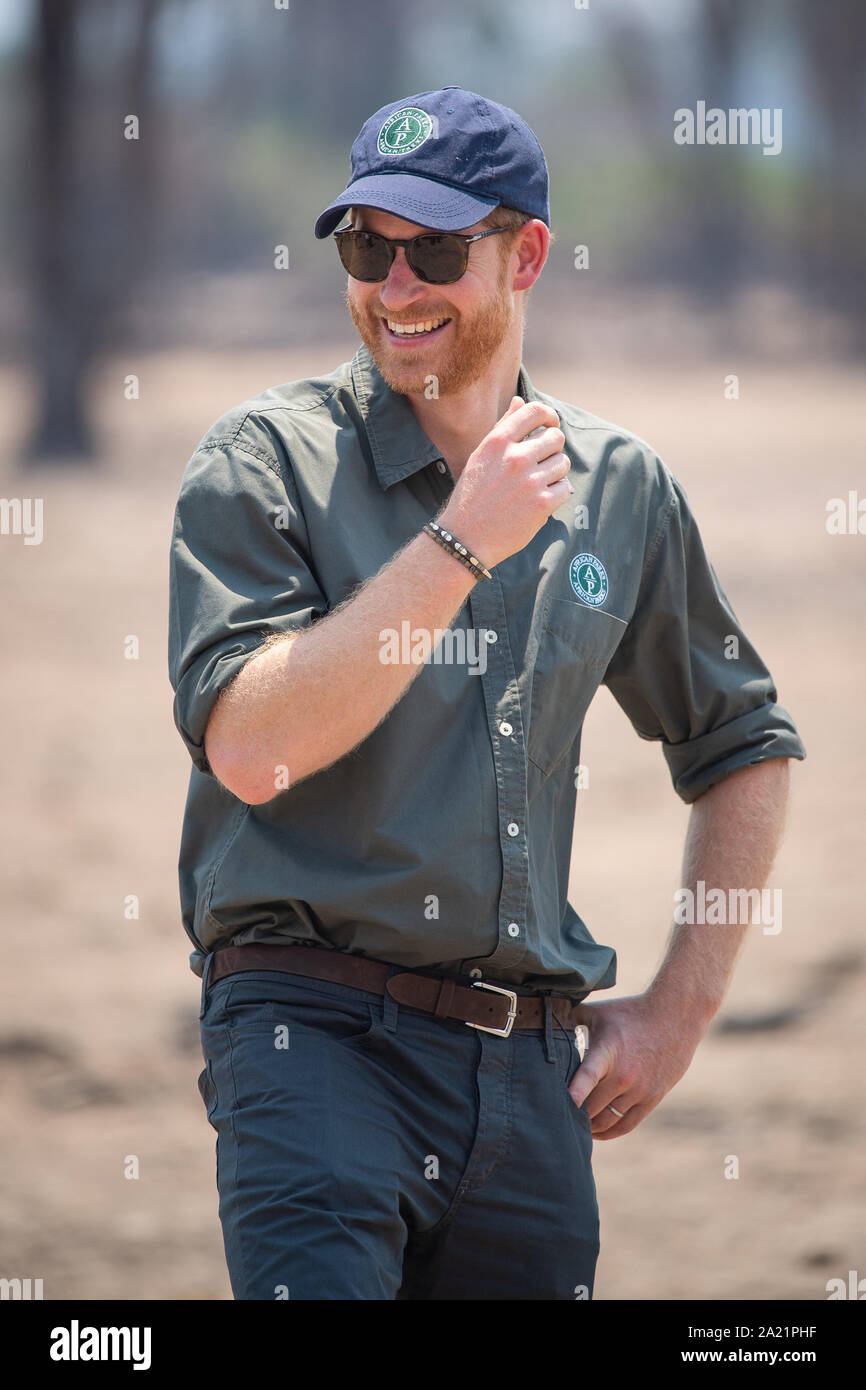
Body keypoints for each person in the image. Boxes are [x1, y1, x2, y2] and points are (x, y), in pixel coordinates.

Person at [168, 86, 806, 1300]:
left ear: (523, 257)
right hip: (309, 1036)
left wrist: (677, 1010)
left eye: (434, 250)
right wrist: (459, 545)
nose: (393, 286)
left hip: (527, 1079)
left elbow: (743, 742)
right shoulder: (261, 460)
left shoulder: (619, 487)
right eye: (366, 246)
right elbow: (252, 749)